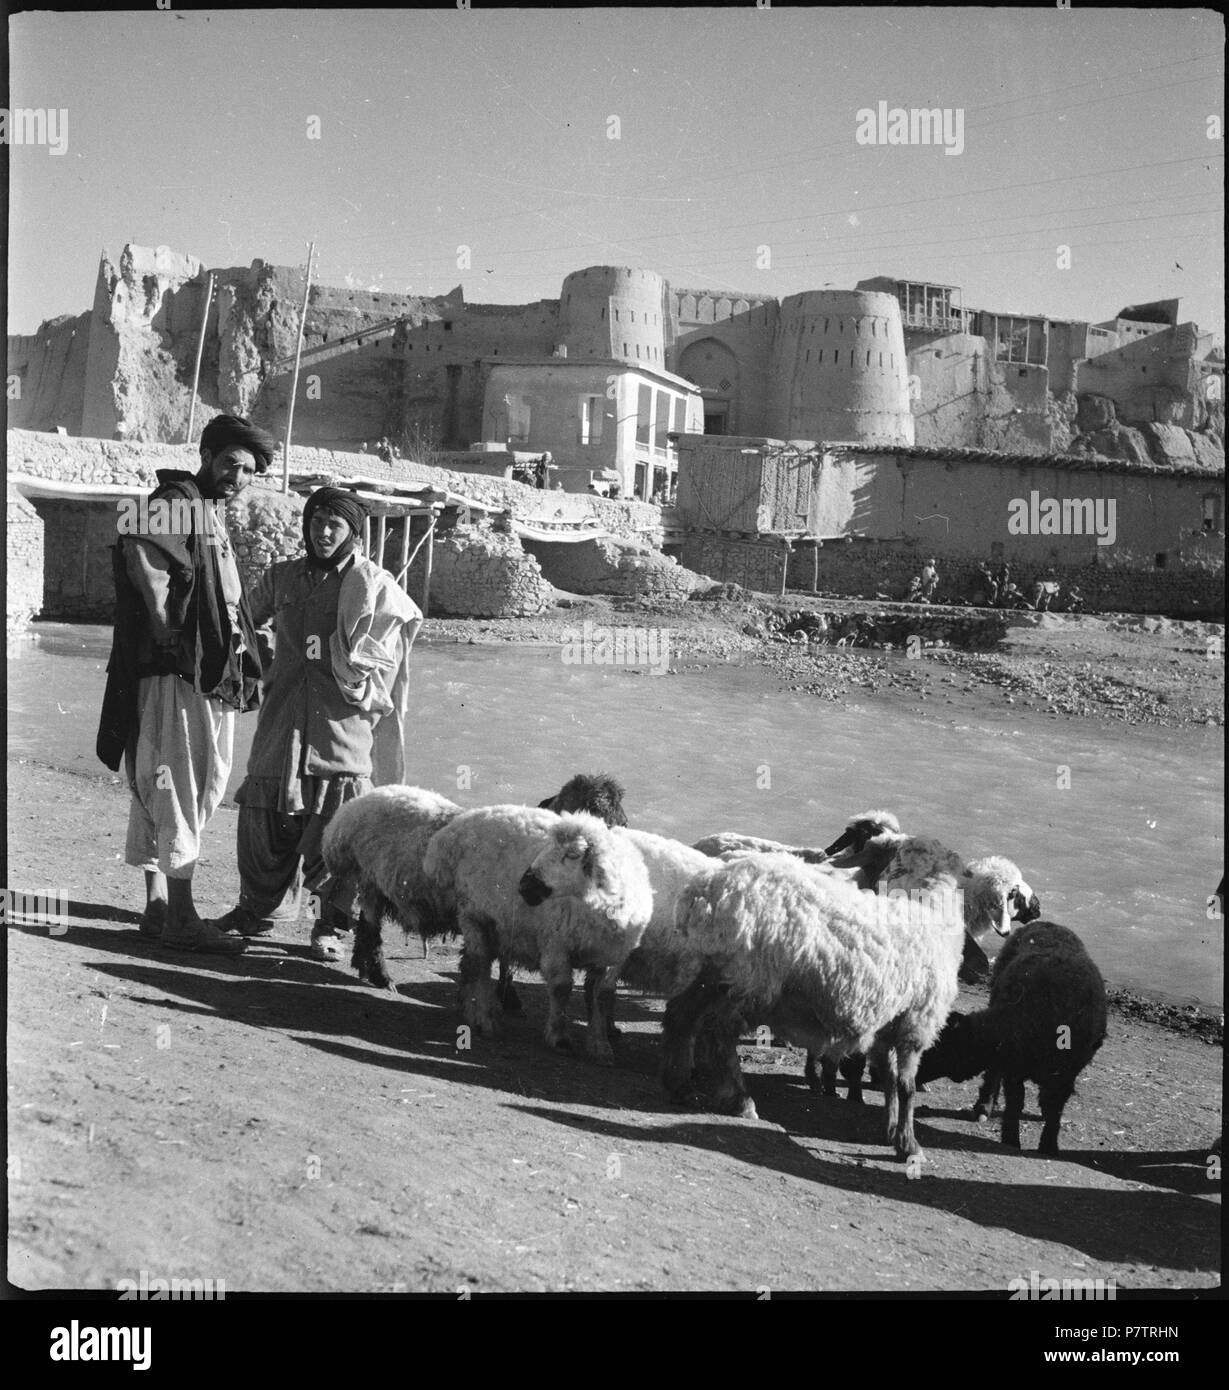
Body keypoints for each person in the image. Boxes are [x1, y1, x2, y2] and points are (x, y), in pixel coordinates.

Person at [213, 487, 423, 961]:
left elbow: (390, 647)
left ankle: (330, 926)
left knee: (341, 831)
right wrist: (263, 657)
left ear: (353, 532)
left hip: (341, 728)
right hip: (281, 720)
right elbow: (244, 620)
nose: (324, 531)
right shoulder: (283, 578)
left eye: (335, 524)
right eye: (317, 521)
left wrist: (363, 683)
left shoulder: (372, 585)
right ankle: (258, 911)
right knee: (264, 821)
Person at [97, 414, 274, 954]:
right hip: (178, 675)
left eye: (248, 470)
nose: (238, 476)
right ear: (206, 455)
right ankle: (182, 917)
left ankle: (156, 907)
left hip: (190, 674)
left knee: (164, 781)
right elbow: (142, 556)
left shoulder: (204, 510)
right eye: (229, 464)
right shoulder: (177, 499)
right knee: (187, 784)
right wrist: (171, 635)